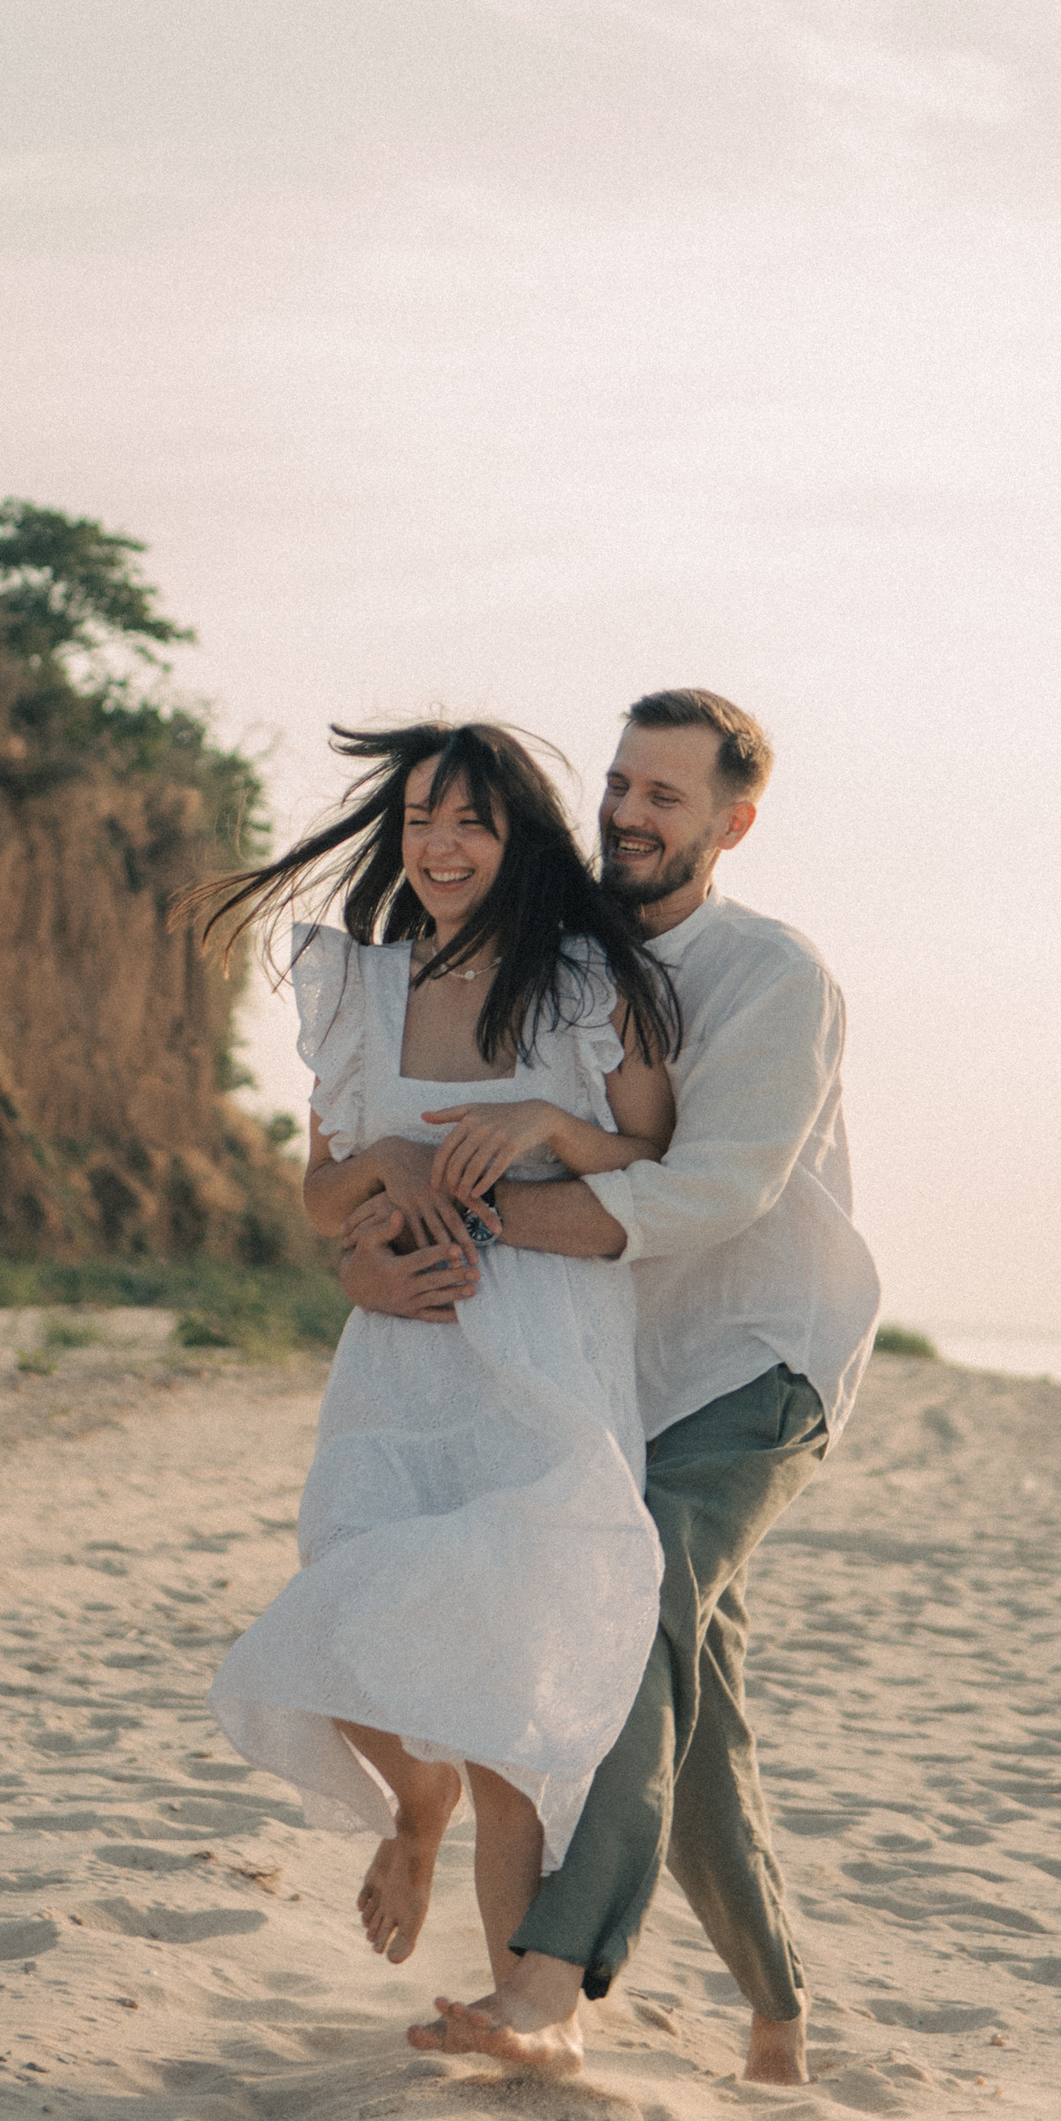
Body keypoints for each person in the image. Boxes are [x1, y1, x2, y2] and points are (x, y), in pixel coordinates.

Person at [342, 686, 878, 2085]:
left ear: (732, 825)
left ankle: (547, 1985)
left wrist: (493, 1199)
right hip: (619, 1373)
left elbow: (710, 1189)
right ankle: (779, 2017)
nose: (629, 816)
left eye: (665, 797)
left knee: (631, 1623)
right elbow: (379, 1136)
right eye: (620, 787)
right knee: (693, 1705)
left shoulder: (773, 976)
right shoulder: (563, 952)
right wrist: (378, 1250)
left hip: (760, 1363)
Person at [180, 723, 685, 1999]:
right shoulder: (357, 988)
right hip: (399, 1358)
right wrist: (386, 1172)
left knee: (515, 1690)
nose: (438, 846)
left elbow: (653, 1155)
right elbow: (318, 1196)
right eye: (418, 820)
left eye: (469, 822)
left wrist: (546, 1121)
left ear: (521, 840)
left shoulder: (589, 987)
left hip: (546, 1363)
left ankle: (519, 2006)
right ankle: (417, 1802)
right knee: (341, 1605)